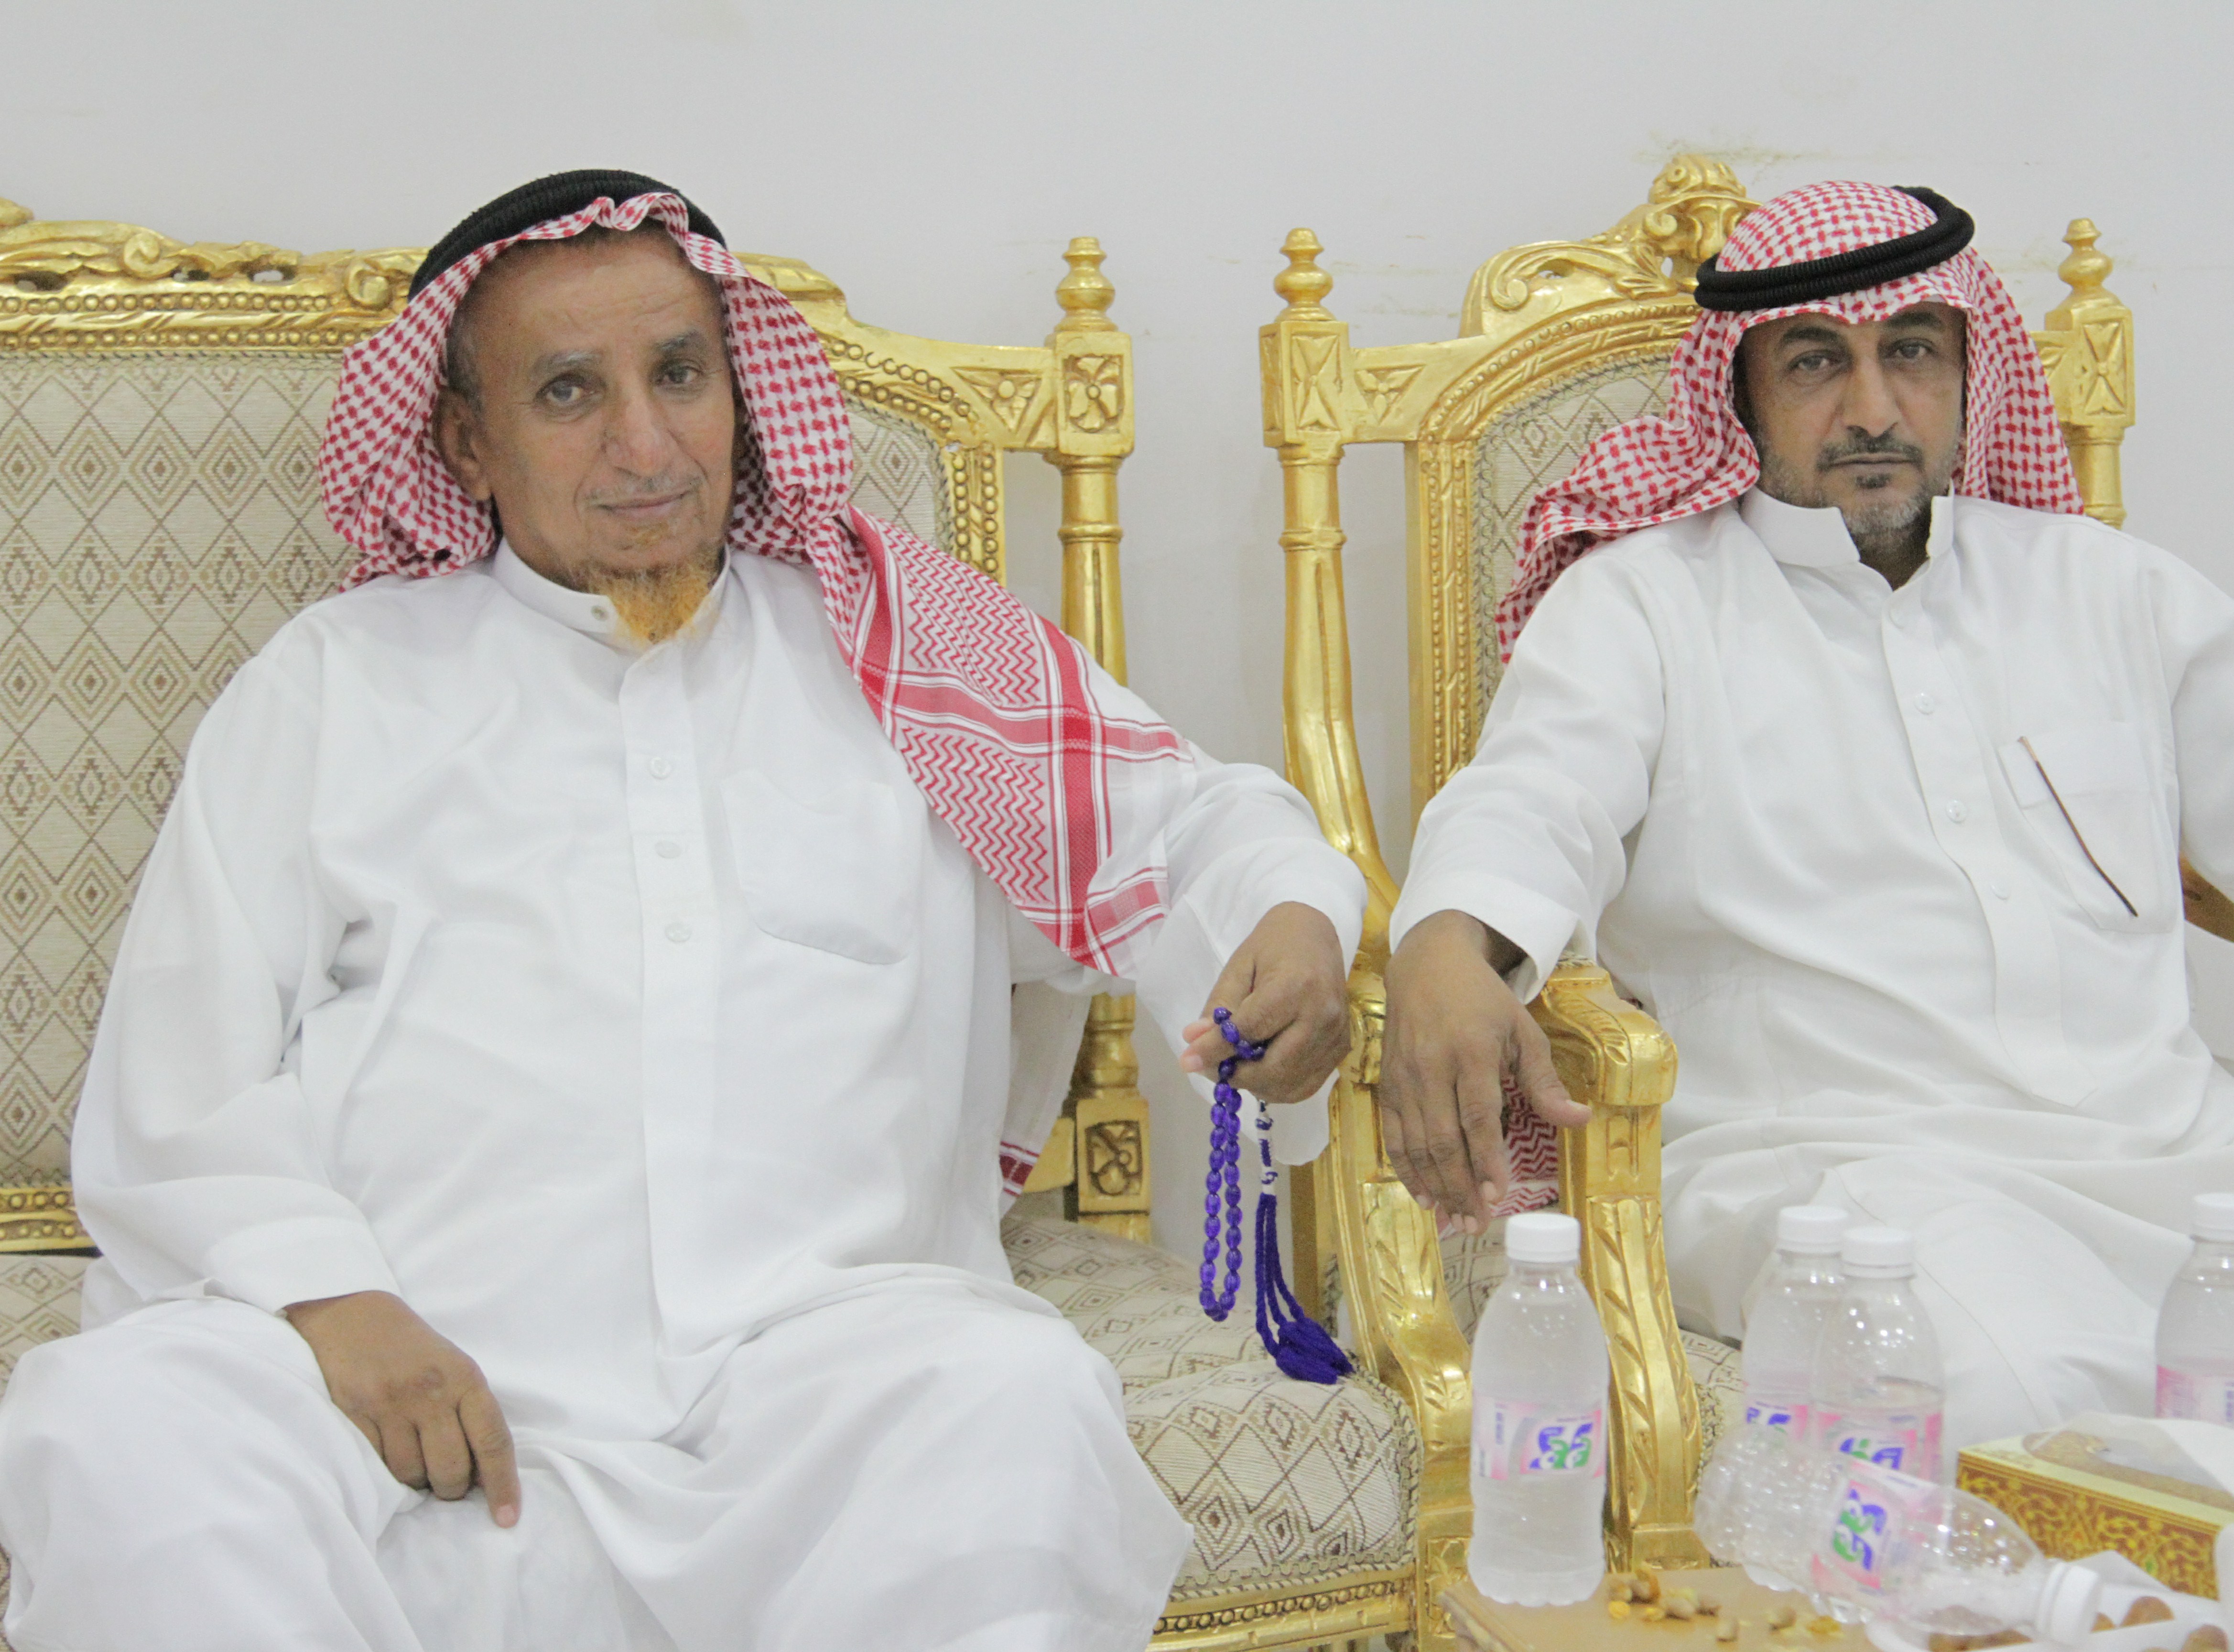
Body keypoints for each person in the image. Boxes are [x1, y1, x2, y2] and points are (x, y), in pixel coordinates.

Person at [0, 172, 1364, 1652]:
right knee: (119, 1428)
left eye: (679, 375)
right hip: (410, 1395)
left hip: (816, 1386)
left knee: (1011, 1404)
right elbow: (183, 1071)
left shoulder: (904, 656)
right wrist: (335, 1308)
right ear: (465, 441)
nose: (645, 446)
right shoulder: (337, 685)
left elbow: (1196, 826)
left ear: (741, 392)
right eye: (568, 392)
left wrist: (1291, 925)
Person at [1378, 178, 2234, 1454]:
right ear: (1741, 394)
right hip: (1849, 1180)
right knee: (1992, 1385)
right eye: (1815, 362)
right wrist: (1447, 945)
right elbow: (1531, 802)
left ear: (1967, 369)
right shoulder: (1644, 606)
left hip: (2197, 1164)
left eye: (1910, 352)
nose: (1872, 409)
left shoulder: (2105, 590)